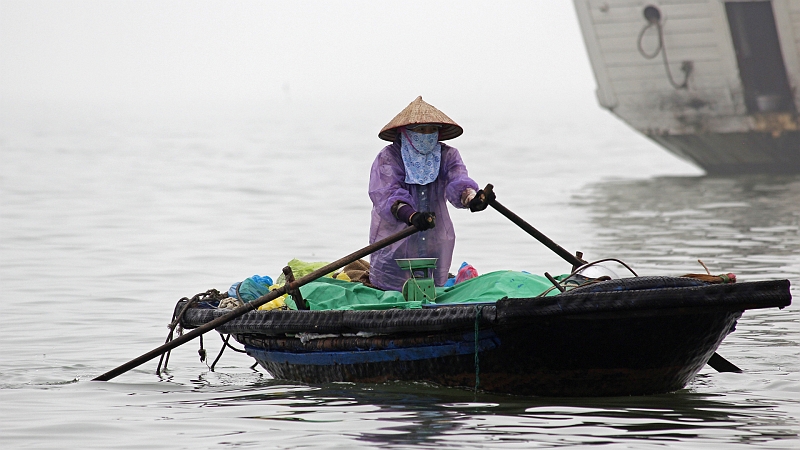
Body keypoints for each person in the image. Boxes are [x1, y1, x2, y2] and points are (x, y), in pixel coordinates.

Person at [368, 96, 493, 291]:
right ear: (406, 133)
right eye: (420, 130)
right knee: (394, 289)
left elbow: (458, 180)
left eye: (432, 130)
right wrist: (411, 215)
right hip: (396, 242)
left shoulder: (447, 155)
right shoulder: (389, 157)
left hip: (436, 237)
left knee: (433, 288)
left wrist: (473, 199)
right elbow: (386, 194)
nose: (427, 135)